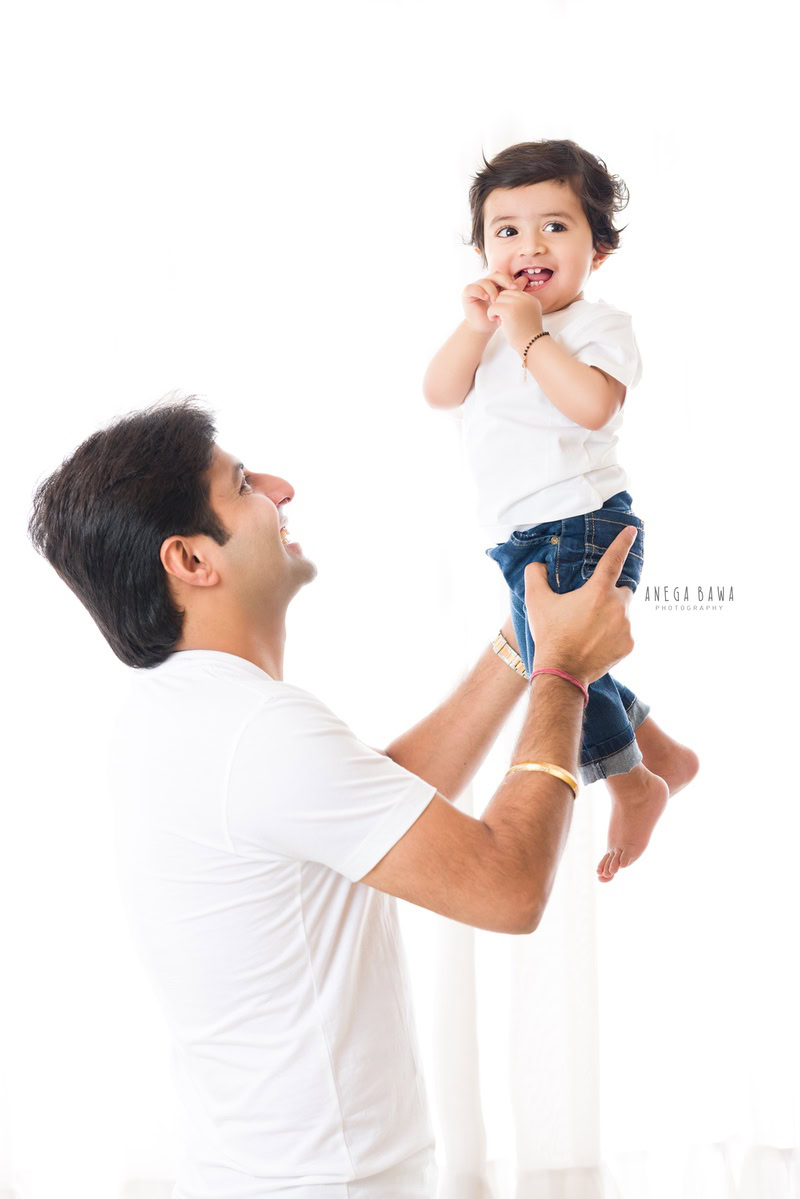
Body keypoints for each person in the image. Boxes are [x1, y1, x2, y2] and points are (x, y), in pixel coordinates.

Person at [29, 395, 638, 1199]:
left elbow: (371, 810)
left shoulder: (180, 713)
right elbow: (508, 884)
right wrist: (560, 671)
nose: (281, 489)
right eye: (243, 483)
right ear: (190, 560)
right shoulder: (258, 731)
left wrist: (522, 639)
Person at [423, 138, 699, 883]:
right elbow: (440, 392)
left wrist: (533, 336)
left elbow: (590, 405)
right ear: (483, 251)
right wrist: (481, 326)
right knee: (567, 659)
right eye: (506, 230)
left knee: (560, 664)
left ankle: (633, 783)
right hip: (524, 535)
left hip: (585, 523)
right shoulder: (492, 331)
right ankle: (659, 755)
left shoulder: (596, 328)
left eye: (555, 226)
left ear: (598, 250)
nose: (529, 245)